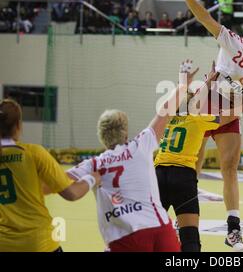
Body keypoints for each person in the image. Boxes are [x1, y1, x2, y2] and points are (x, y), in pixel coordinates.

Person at [166, 0, 243, 251]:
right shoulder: (232, 41)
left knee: (229, 169)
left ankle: (233, 231)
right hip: (205, 104)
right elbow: (205, 18)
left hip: (230, 113)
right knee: (190, 167)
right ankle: (182, 222)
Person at [66, 61, 198, 252]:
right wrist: (183, 84)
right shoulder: (141, 144)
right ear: (126, 132)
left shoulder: (95, 165)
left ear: (101, 136)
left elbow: (60, 182)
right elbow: (165, 112)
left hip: (127, 237)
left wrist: (88, 179)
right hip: (160, 230)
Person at [155, 62, 237, 252]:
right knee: (190, 239)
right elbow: (233, 115)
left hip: (157, 175)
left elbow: (183, 102)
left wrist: (194, 83)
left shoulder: (167, 117)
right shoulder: (200, 121)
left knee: (147, 230)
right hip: (183, 177)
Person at [0, 99, 101, 252]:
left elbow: (23, 189)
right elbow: (72, 194)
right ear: (19, 125)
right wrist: (94, 177)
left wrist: (55, 183)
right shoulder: (33, 153)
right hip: (39, 243)